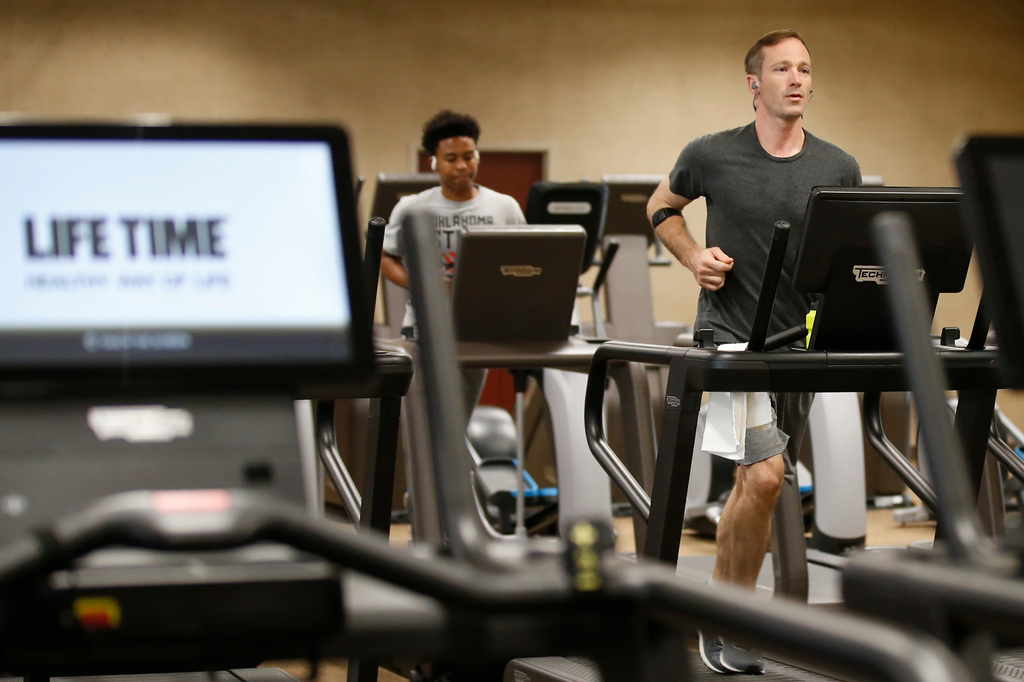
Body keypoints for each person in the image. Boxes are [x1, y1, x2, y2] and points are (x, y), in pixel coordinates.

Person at [647, 30, 861, 675]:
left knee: (760, 483)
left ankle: (726, 600)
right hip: (733, 338)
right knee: (766, 476)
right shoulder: (710, 154)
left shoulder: (838, 166)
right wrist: (694, 259)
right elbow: (661, 207)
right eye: (782, 69)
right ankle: (729, 616)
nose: (797, 79)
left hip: (803, 342)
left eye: (805, 69)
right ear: (754, 83)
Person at [381, 110, 526, 413]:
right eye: (451, 158)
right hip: (424, 330)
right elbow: (384, 257)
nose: (462, 165)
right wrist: (422, 283)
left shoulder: (504, 206)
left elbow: (523, 262)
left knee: (458, 419)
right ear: (434, 160)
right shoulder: (411, 207)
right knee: (427, 422)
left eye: (469, 156)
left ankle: (461, 462)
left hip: (477, 330)